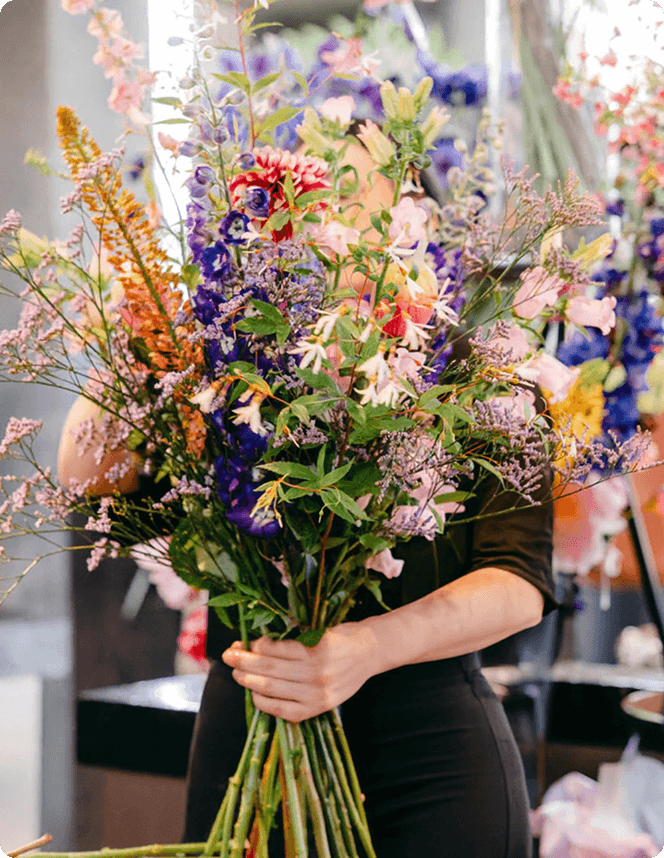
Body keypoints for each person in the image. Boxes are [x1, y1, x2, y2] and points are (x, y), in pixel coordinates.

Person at [58, 141, 558, 858]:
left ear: (416, 215)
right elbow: (86, 477)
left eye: (354, 180)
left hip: (431, 757)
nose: (327, 206)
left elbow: (518, 583)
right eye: (310, 184)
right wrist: (133, 336)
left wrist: (365, 649)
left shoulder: (485, 374)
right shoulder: (231, 362)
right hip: (252, 743)